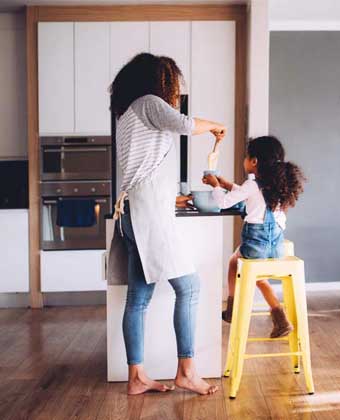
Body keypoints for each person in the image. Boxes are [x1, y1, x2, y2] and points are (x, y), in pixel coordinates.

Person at [109, 53, 225, 395]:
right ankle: (186, 371)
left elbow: (143, 169)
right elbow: (186, 125)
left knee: (138, 299)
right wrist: (215, 126)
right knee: (188, 288)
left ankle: (136, 377)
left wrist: (169, 199)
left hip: (133, 211)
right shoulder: (148, 103)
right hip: (147, 215)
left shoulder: (128, 114)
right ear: (160, 81)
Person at [203, 136, 306, 338]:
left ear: (254, 161)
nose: (245, 160)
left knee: (234, 261)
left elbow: (223, 203)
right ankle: (279, 317)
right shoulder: (275, 186)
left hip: (256, 245)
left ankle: (233, 309)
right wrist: (227, 184)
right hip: (276, 247)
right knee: (260, 278)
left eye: (246, 156)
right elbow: (249, 195)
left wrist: (216, 186)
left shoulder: (252, 185)